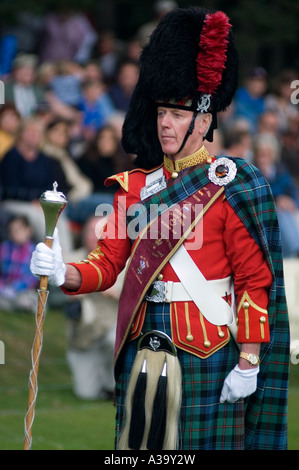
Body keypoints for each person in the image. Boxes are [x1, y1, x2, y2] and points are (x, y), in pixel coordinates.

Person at [30, 7, 289, 451]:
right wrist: (62, 273)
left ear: (204, 121)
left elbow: (253, 281)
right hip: (145, 348)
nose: (165, 122)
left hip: (209, 349)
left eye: (177, 113)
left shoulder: (229, 185)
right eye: (162, 111)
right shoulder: (134, 189)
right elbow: (108, 263)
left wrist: (248, 360)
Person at [64, 215, 123, 400]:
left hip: (110, 332)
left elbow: (126, 293)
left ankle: (112, 385)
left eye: (99, 232)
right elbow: (59, 292)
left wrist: (96, 284)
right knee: (86, 394)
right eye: (89, 231)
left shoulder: (122, 263)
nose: (92, 237)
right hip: (83, 338)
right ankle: (101, 383)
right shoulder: (70, 259)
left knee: (115, 338)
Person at [253, 132, 299, 258]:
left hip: (284, 212)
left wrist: (290, 202)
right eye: (260, 154)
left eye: (266, 154)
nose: (263, 158)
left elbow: (293, 193)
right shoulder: (253, 173)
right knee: (279, 212)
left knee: (286, 211)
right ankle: (295, 249)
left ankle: (294, 249)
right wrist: (277, 200)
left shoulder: (280, 171)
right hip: (263, 213)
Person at [0, 215, 38, 312]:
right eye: (12, 231)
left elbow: (32, 277)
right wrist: (3, 286)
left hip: (24, 291)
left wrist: (15, 287)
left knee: (25, 301)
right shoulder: (4, 248)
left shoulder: (34, 252)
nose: (14, 233)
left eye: (18, 230)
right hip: (4, 289)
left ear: (28, 231)